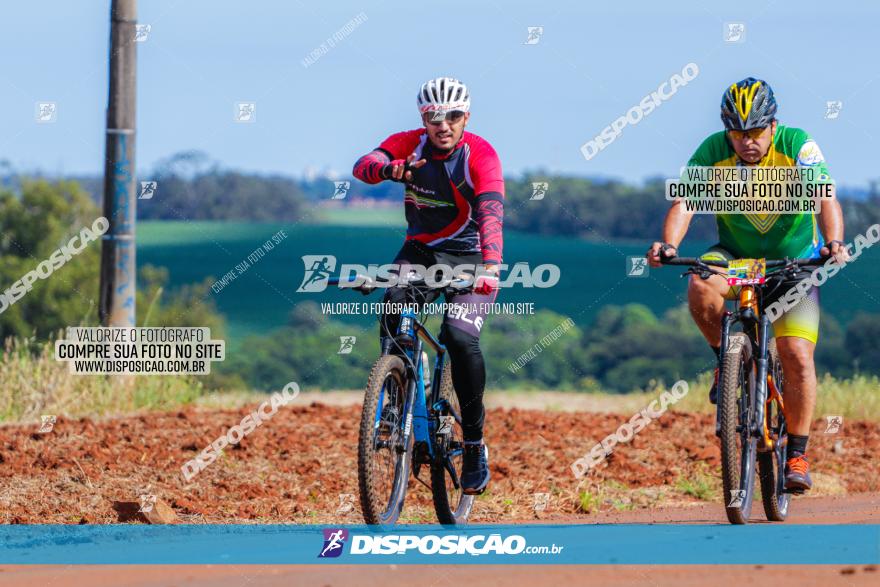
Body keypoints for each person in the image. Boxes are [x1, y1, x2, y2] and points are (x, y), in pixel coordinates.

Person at [646, 77, 850, 492]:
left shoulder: (797, 145)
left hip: (795, 259)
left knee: (796, 355)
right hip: (735, 256)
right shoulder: (712, 150)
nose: (746, 142)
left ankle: (797, 452)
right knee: (701, 284)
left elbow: (826, 197)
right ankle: (727, 359)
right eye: (737, 133)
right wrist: (668, 245)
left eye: (755, 132)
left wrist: (833, 242)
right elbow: (685, 201)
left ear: (772, 125)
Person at [352, 77, 504, 495]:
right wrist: (388, 169)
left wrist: (491, 265)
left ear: (466, 117)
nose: (443, 124)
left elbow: (491, 211)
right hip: (420, 253)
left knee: (458, 336)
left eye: (453, 116)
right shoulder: (408, 144)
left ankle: (473, 444)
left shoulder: (481, 154)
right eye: (434, 116)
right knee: (393, 305)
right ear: (423, 117)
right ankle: (395, 397)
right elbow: (363, 165)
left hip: (471, 258)